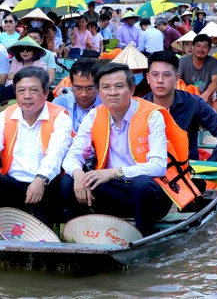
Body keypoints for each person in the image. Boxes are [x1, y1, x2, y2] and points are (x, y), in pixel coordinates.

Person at [61, 63, 199, 236]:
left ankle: (143, 238)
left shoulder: (152, 115)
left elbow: (158, 166)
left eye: (119, 86)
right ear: (99, 91)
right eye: (105, 87)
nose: (112, 92)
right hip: (111, 189)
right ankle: (81, 236)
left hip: (150, 193)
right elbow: (73, 154)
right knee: (68, 181)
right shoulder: (94, 115)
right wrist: (77, 174)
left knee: (141, 185)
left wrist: (114, 172)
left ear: (132, 89)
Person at [0, 67, 72, 227]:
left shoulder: (60, 117)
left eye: (33, 90)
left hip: (46, 185)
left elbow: (56, 154)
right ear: (16, 93)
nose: (27, 96)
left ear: (45, 92)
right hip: (14, 184)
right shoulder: (5, 116)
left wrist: (40, 179)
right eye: (21, 91)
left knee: (57, 188)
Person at [143, 51, 217, 164]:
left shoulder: (194, 103)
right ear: (148, 78)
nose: (160, 80)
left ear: (177, 78)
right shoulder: (139, 107)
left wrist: (206, 168)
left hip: (187, 173)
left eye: (167, 75)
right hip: (150, 173)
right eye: (155, 75)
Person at [52, 59, 101, 134]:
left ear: (98, 84)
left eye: (89, 88)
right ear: (71, 84)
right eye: (78, 88)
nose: (83, 94)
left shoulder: (107, 106)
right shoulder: (59, 104)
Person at [178, 34, 217, 110]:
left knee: (216, 95)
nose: (201, 49)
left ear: (209, 50)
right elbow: (177, 80)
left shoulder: (214, 62)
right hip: (188, 93)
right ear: (193, 47)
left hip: (206, 93)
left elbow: (215, 81)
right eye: (198, 46)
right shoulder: (182, 61)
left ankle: (214, 119)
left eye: (205, 47)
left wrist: (206, 95)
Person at [2, 36, 50, 102]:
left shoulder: (41, 65)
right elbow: (10, 76)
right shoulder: (15, 61)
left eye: (29, 49)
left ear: (34, 51)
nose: (25, 52)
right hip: (12, 91)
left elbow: (36, 82)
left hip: (32, 93)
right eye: (21, 49)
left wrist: (17, 77)